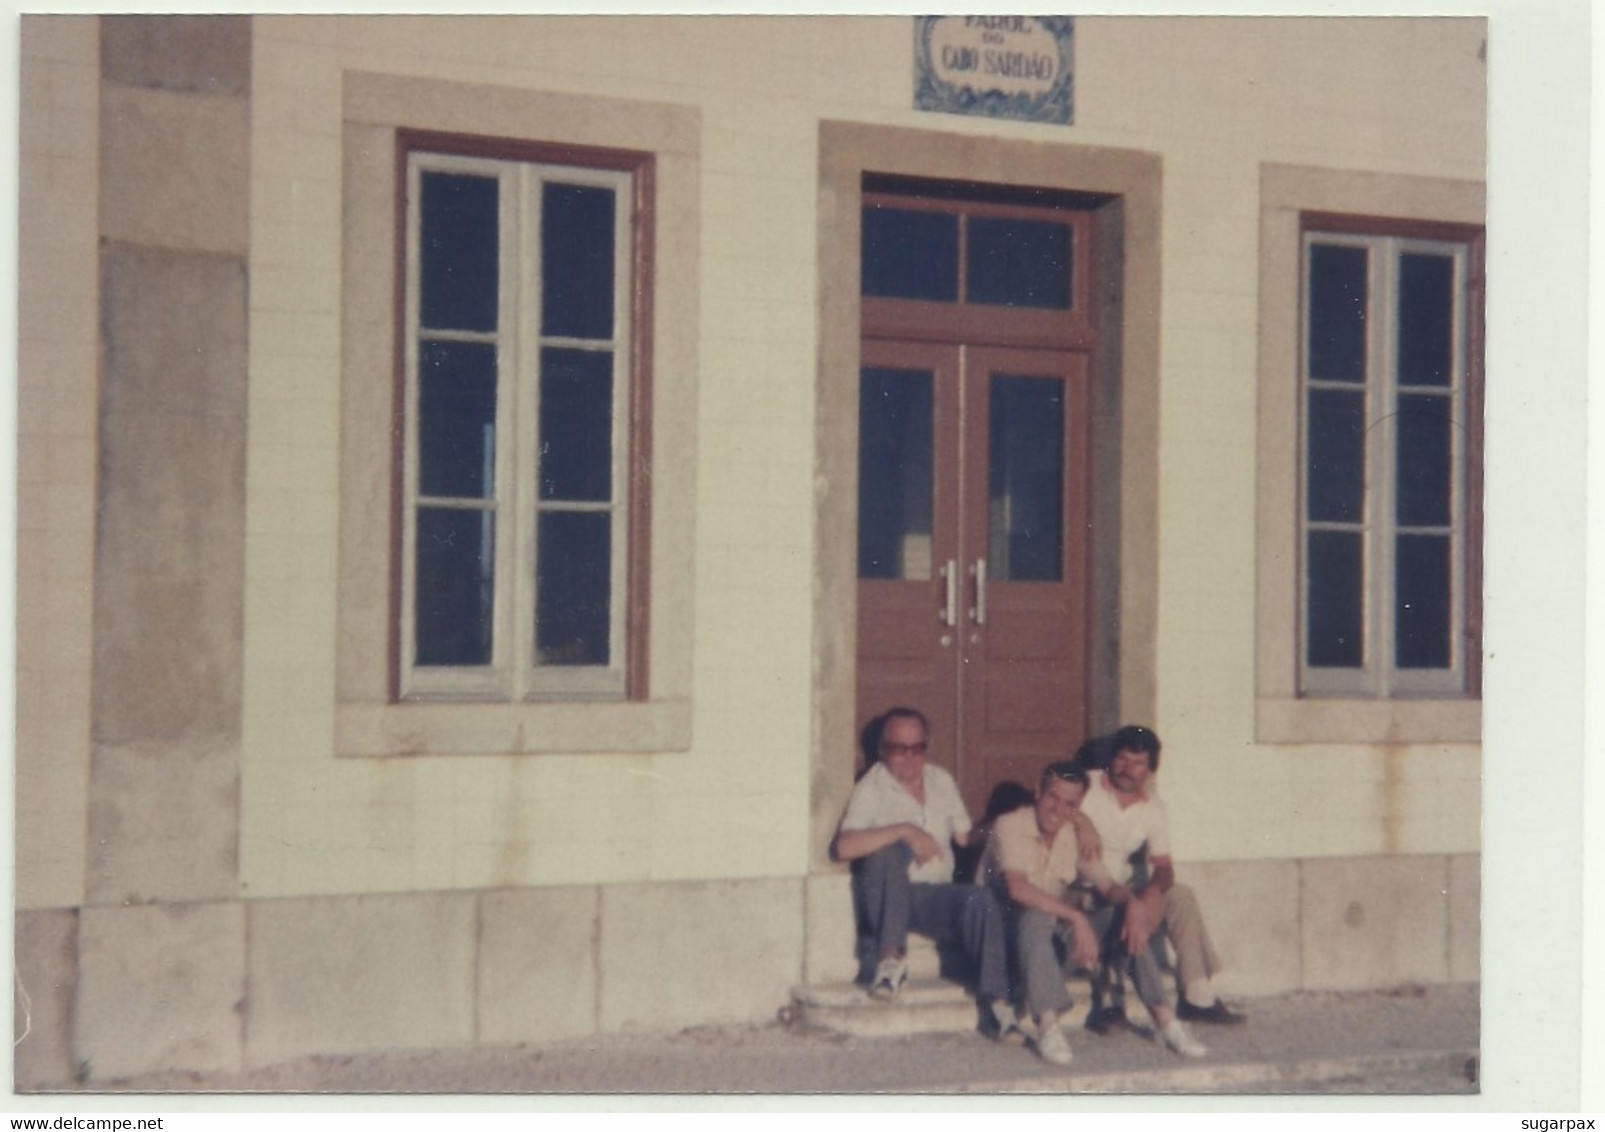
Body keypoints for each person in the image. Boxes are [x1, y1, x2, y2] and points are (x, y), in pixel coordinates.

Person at [981, 761, 1207, 1066]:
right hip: (1005, 945)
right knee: (1034, 916)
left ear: (1077, 808)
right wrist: (1077, 919)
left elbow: (1107, 885)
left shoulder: (1071, 834)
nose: (1057, 809)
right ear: (1037, 792)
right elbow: (1018, 889)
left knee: (1125, 917)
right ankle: (1048, 1028)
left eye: (1069, 803)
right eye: (1052, 797)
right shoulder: (1010, 824)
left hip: (1049, 944)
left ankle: (1167, 1022)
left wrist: (1132, 905)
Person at [834, 707, 1023, 1044]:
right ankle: (891, 961)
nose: (908, 758)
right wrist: (904, 830)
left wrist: (1013, 820)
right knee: (889, 848)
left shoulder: (941, 780)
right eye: (898, 749)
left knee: (978, 899)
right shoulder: (872, 785)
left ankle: (999, 1005)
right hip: (891, 893)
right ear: (882, 750)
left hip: (934, 895)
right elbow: (844, 847)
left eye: (916, 748)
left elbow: (965, 837)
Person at [1075, 725, 1246, 1029]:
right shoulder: (1087, 784)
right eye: (1122, 759)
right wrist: (1081, 819)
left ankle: (1197, 996)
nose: (1127, 769)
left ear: (1150, 770)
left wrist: (1154, 892)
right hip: (1081, 889)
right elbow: (1046, 802)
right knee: (1125, 908)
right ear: (1111, 759)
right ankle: (1113, 999)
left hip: (1121, 887)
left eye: (1138, 763)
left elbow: (1164, 865)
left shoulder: (1153, 807)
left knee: (1180, 895)